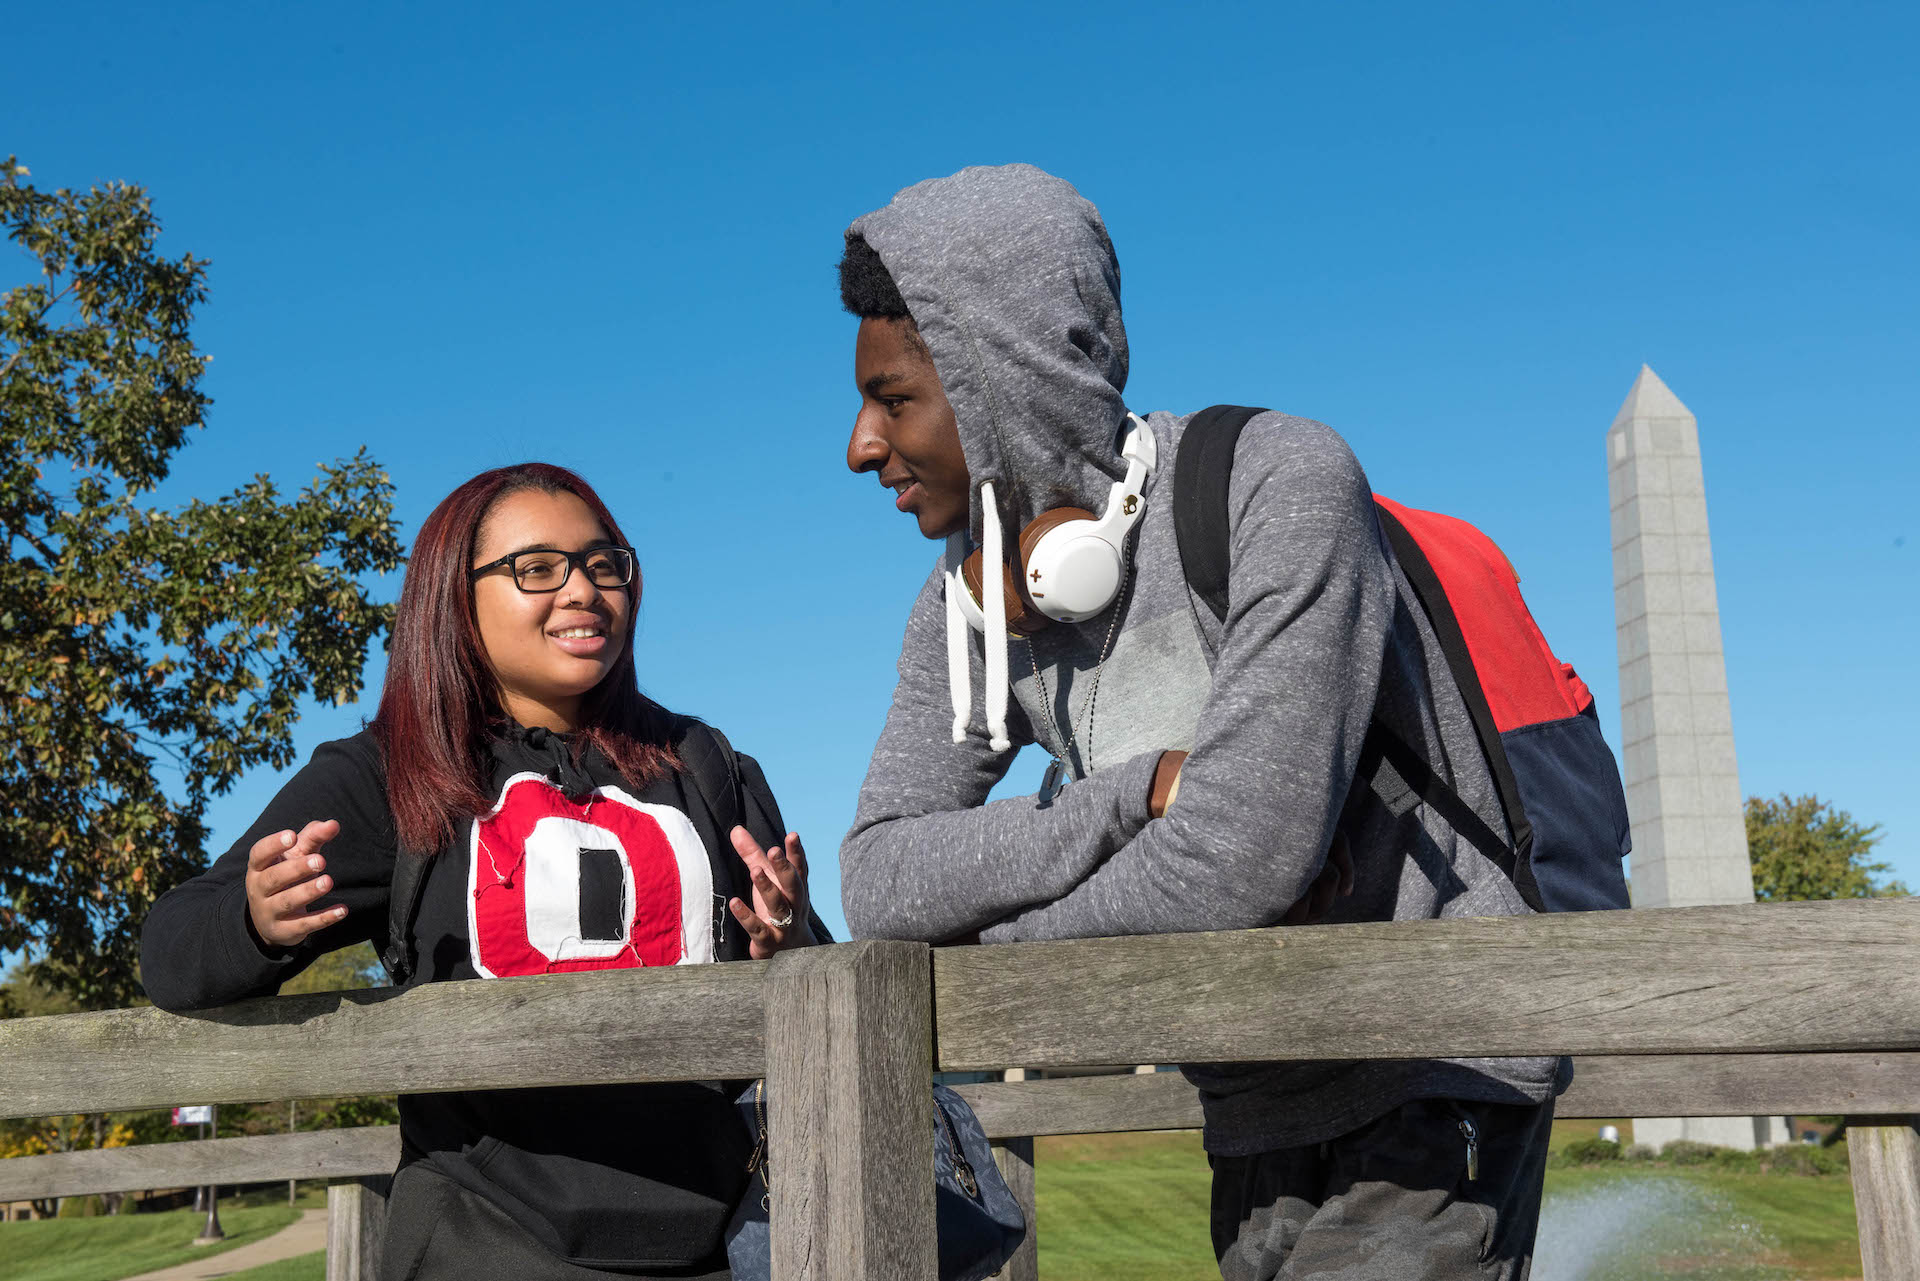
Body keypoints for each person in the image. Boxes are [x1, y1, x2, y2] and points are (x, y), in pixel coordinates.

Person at [835, 164, 1561, 1280]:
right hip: (1251, 1091)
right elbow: (880, 879)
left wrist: (988, 944)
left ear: (1001, 381)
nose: (861, 446)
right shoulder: (961, 607)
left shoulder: (1279, 481)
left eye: (894, 401)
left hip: (1436, 1055)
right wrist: (1132, 799)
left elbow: (1240, 859)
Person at [141, 462, 814, 1281]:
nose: (583, 591)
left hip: (722, 1243)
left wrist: (788, 945)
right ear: (455, 600)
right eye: (537, 569)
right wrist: (256, 919)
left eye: (606, 564)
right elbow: (171, 946)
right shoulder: (393, 774)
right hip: (486, 1241)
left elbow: (813, 982)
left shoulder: (707, 765)